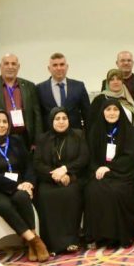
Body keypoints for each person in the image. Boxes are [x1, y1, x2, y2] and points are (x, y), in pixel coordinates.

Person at [0, 110, 49, 262]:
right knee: (5, 206)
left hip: (19, 186)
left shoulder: (16, 141)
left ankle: (31, 244)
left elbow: (28, 165)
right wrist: (17, 185)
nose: (2, 125)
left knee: (22, 197)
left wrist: (29, 183)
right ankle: (34, 240)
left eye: (5, 121)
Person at [84, 99, 134, 249]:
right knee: (92, 190)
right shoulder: (96, 130)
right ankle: (99, 236)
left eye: (115, 110)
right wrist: (98, 168)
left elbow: (130, 157)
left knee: (115, 191)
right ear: (102, 112)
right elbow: (90, 156)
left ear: (120, 112)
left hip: (123, 174)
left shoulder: (128, 131)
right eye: (108, 109)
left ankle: (117, 236)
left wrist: (110, 168)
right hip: (100, 173)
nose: (112, 113)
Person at [33, 107, 89, 254]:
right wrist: (55, 175)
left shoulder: (78, 135)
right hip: (49, 179)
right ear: (51, 121)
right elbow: (37, 163)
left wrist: (66, 170)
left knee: (71, 193)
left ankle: (72, 241)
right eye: (57, 119)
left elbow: (83, 158)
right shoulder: (43, 138)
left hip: (72, 177)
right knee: (45, 195)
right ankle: (52, 244)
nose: (61, 121)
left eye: (64, 118)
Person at [0, 53, 42, 147]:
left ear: (18, 67)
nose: (10, 67)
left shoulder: (29, 86)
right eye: (6, 63)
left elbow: (37, 114)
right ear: (0, 66)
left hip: (25, 139)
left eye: (13, 64)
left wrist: (37, 140)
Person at [36, 53, 90, 131]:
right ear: (49, 68)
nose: (59, 68)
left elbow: (87, 114)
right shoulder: (39, 89)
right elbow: (38, 117)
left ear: (67, 67)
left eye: (62, 64)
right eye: (55, 65)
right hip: (49, 135)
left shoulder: (79, 86)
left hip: (75, 134)